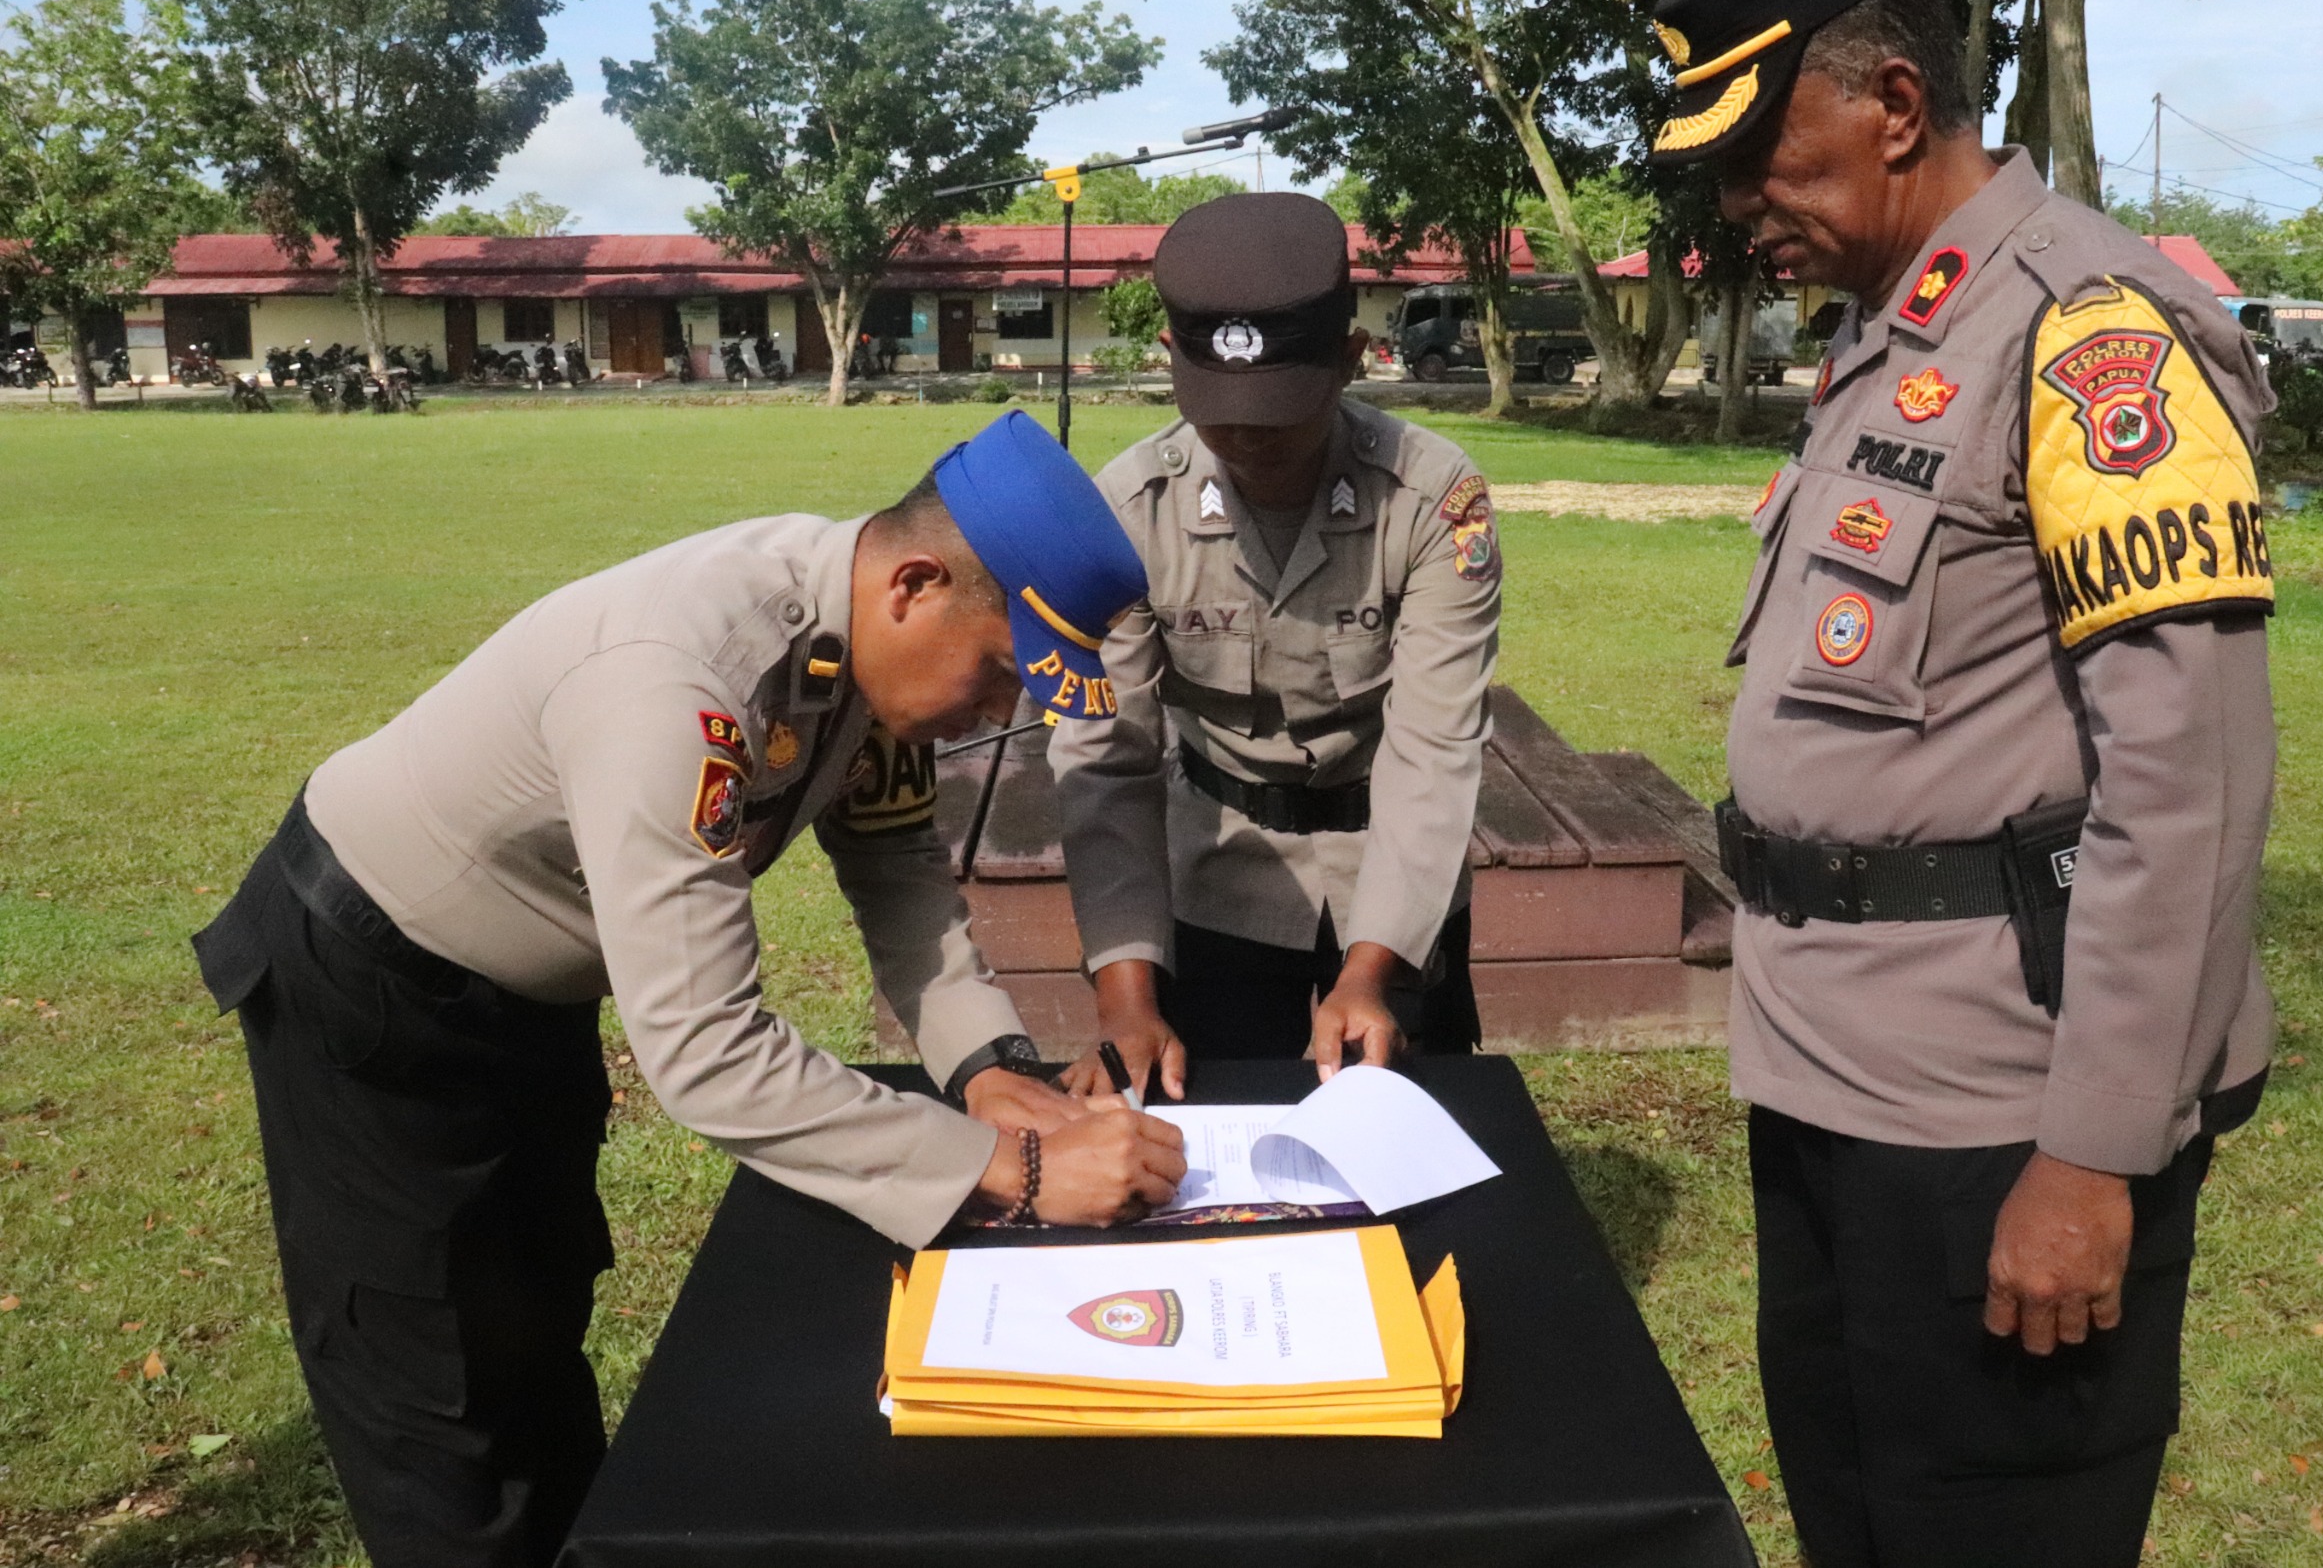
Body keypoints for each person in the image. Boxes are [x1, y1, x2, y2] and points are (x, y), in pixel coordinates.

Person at [190, 411, 1189, 1568]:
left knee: (535, 1328)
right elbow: (708, 1054)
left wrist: (990, 1071)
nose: (994, 715)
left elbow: (898, 870)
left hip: (528, 991)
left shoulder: (862, 641)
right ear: (915, 583)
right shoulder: (680, 686)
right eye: (999, 673)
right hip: (368, 986)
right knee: (438, 1404)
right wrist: (1011, 1170)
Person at [1646, 0, 2279, 1565]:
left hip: (2004, 1122)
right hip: (1833, 1082)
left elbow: (2189, 777)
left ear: (1897, 105)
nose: (1731, 208)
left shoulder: (2090, 335)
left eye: (1756, 157)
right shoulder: (1896, 330)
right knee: (1858, 1524)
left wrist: (2095, 1157)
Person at [1048, 193, 1502, 1101]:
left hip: (1395, 874)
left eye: (1278, 412)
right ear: (1172, 359)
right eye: (1220, 413)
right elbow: (1108, 762)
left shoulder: (1431, 495)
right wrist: (1127, 1001)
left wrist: (1371, 976)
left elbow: (1432, 747)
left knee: (1416, 1141)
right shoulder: (1128, 510)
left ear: (1349, 359)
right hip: (1217, 879)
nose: (1248, 441)